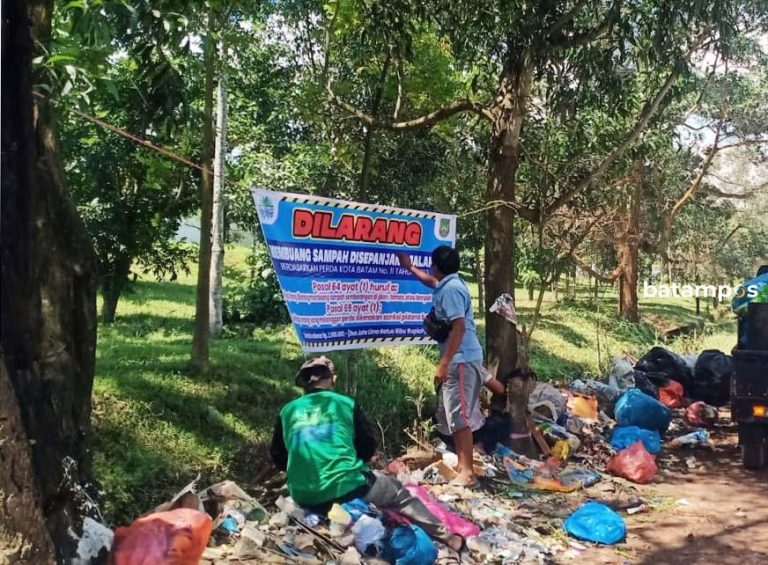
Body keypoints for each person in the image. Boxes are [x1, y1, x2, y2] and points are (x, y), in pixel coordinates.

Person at [270, 356, 463, 551]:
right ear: (332, 378)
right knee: (399, 493)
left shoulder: (287, 411)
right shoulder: (345, 404)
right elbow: (367, 446)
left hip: (303, 495)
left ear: (303, 384)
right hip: (347, 488)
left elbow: (278, 456)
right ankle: (449, 538)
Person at [398, 246, 501, 485]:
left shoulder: (451, 291)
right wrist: (409, 267)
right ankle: (464, 466)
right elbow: (432, 283)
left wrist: (443, 365)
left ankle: (467, 473)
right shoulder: (449, 284)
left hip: (461, 360)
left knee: (460, 415)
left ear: (436, 265)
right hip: (458, 359)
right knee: (453, 415)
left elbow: (459, 328)